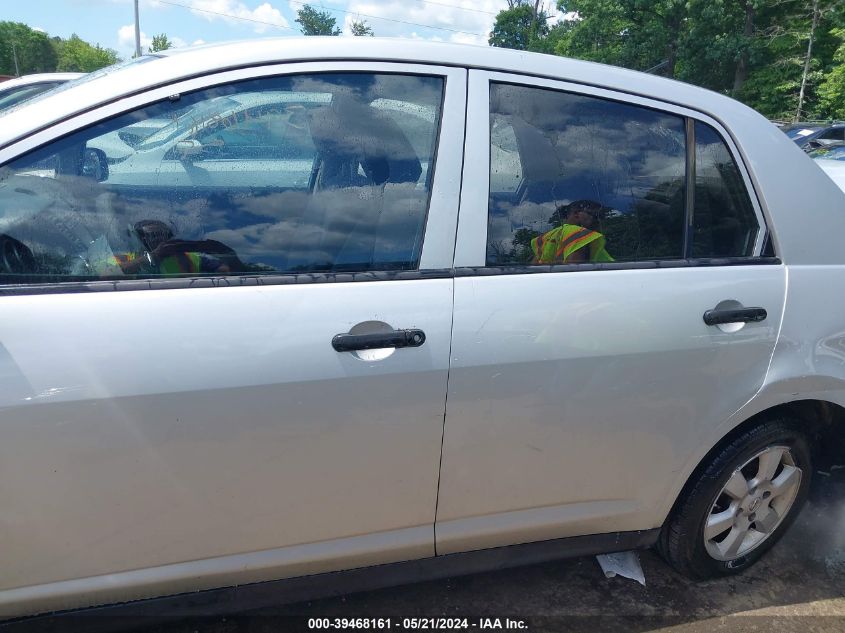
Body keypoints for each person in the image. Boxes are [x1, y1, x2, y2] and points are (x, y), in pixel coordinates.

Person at [530, 199, 614, 264]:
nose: (598, 220)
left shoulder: (548, 235)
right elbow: (576, 269)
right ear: (577, 214)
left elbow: (534, 266)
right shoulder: (579, 233)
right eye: (594, 215)